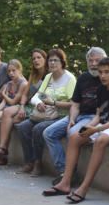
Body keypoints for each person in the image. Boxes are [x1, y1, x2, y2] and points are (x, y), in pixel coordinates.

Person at [43, 57, 109, 202]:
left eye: (107, 72)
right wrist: (90, 126)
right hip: (106, 123)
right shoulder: (100, 89)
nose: (103, 76)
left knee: (101, 139)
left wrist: (94, 130)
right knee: (75, 137)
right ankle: (65, 183)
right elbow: (99, 115)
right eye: (100, 72)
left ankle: (84, 187)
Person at [42, 46, 106, 182]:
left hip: (94, 118)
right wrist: (72, 119)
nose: (94, 64)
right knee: (48, 133)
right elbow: (75, 104)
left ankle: (68, 175)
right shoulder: (83, 78)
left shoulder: (108, 77)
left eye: (97, 60)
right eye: (91, 61)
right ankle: (64, 171)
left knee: (73, 134)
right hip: (77, 115)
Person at [14, 48, 75, 176]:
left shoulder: (70, 79)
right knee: (22, 127)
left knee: (38, 129)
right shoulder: (48, 77)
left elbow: (73, 104)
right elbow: (37, 96)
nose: (52, 63)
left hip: (60, 116)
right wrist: (39, 103)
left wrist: (53, 103)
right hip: (44, 114)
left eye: (55, 60)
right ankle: (29, 162)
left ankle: (38, 163)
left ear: (62, 62)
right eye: (50, 60)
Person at [0, 48, 48, 165]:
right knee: (7, 114)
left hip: (40, 108)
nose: (36, 60)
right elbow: (25, 94)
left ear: (45, 59)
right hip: (26, 105)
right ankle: (2, 150)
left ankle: (2, 155)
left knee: (13, 121)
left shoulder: (49, 75)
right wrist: (21, 106)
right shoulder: (33, 75)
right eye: (34, 58)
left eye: (39, 57)